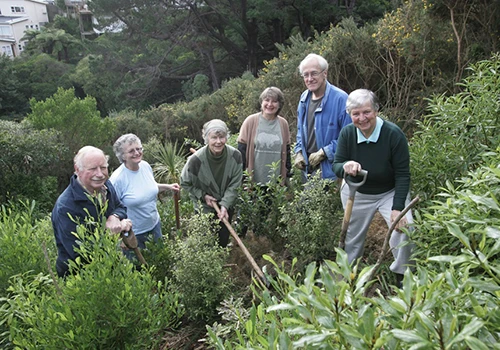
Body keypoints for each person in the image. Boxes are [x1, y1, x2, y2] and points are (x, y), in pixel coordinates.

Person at [332, 89, 414, 283]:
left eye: (366, 112)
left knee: (405, 228)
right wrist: (346, 166)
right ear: (349, 115)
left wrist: (397, 208)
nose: (362, 118)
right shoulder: (347, 133)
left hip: (389, 191)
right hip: (357, 193)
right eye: (356, 114)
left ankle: (402, 275)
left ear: (376, 110)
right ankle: (346, 280)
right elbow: (336, 165)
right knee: (351, 239)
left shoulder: (393, 134)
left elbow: (403, 174)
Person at [52, 146, 132, 278]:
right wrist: (112, 234)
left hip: (109, 265)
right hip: (80, 279)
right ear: (78, 170)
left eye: (103, 167)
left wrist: (114, 217)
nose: (100, 174)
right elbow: (79, 253)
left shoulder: (105, 185)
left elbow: (120, 207)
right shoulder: (66, 207)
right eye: (93, 169)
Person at [110, 134, 180, 257]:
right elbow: (111, 210)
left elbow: (149, 187)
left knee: (159, 262)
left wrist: (168, 187)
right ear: (123, 156)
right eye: (131, 151)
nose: (137, 153)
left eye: (139, 149)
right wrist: (121, 237)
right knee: (139, 271)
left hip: (154, 226)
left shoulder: (145, 166)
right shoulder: (117, 180)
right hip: (134, 234)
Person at [181, 119, 243, 247]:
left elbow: (235, 184)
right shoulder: (195, 160)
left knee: (223, 241)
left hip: (226, 206)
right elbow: (185, 183)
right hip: (204, 208)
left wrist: (225, 205)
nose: (218, 141)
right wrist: (203, 195)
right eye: (214, 137)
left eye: (222, 137)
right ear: (206, 138)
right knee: (205, 243)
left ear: (227, 137)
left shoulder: (235, 156)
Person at [294, 53, 351, 183]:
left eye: (314, 73)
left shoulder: (341, 99)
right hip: (308, 170)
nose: (309, 78)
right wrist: (298, 152)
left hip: (332, 171)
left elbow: (349, 138)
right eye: (305, 75)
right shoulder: (304, 99)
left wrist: (325, 152)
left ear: (324, 73)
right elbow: (300, 131)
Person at [237, 86, 291, 184]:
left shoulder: (283, 124)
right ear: (261, 102)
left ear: (279, 104)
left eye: (274, 101)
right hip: (254, 182)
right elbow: (241, 152)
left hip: (276, 183)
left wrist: (287, 174)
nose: (270, 104)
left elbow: (287, 151)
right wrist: (243, 178)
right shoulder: (250, 121)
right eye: (267, 100)